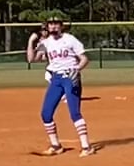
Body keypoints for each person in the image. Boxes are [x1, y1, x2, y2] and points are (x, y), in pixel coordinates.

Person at [33, 17, 95, 156]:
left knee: (74, 113)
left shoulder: (70, 39)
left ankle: (87, 147)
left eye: (56, 24)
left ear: (61, 26)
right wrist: (31, 41)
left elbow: (84, 59)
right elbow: (31, 59)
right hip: (56, 79)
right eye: (51, 24)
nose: (53, 27)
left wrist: (76, 69)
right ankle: (56, 146)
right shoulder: (45, 42)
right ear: (47, 27)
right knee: (46, 114)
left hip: (70, 78)